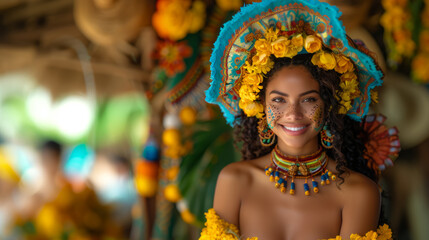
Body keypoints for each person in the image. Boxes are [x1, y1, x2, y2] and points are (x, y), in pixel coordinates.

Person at [201, 0, 399, 239]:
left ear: (329, 106)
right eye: (278, 100)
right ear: (261, 105)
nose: (293, 114)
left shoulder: (359, 193)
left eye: (308, 100)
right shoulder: (234, 181)